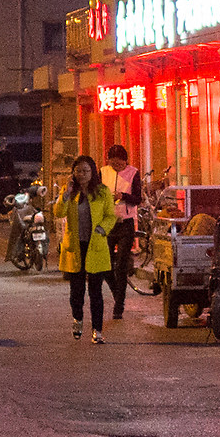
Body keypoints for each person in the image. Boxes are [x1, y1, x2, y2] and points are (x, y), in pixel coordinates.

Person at [53, 154, 116, 343]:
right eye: (78, 171)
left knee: (96, 291)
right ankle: (77, 319)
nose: (82, 174)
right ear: (73, 172)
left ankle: (97, 330)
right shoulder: (69, 191)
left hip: (95, 245)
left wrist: (101, 229)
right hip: (75, 246)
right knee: (76, 291)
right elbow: (58, 212)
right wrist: (65, 195)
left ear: (93, 172)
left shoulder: (103, 192)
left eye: (86, 171)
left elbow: (110, 216)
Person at [103, 144, 142, 317]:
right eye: (113, 164)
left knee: (121, 265)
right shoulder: (103, 172)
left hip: (126, 223)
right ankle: (116, 292)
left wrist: (123, 196)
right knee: (106, 265)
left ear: (126, 161)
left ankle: (119, 305)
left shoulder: (133, 173)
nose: (116, 167)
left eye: (120, 164)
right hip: (107, 223)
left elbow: (138, 199)